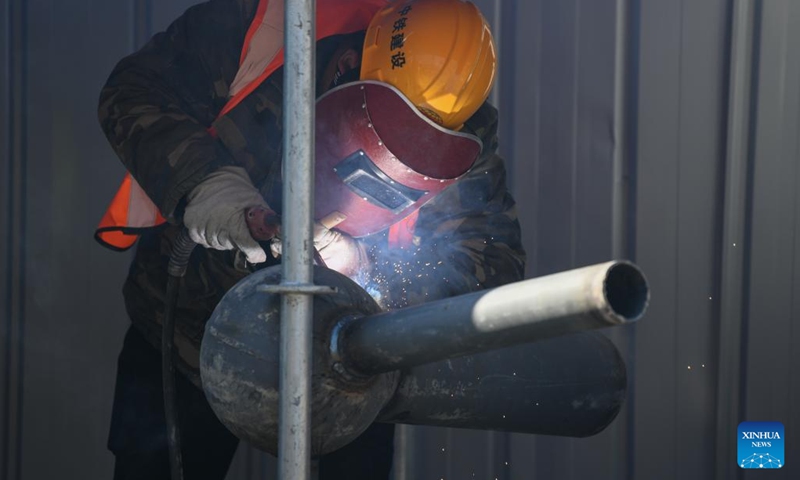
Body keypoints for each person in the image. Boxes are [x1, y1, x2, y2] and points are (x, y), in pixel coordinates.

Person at [96, 0, 526, 479]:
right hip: (186, 336)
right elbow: (133, 91)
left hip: (350, 363)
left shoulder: (460, 128)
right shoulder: (260, 27)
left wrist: (364, 269)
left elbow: (491, 267)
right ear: (349, 66)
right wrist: (207, 183)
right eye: (391, 122)